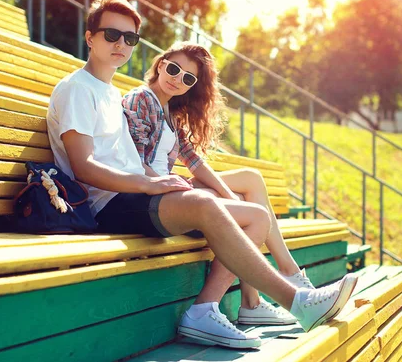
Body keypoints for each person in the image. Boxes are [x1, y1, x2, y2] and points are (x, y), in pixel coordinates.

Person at [46, 0, 357, 350]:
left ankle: (204, 310)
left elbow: (163, 157)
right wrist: (151, 184)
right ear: (90, 37)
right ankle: (297, 300)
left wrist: (155, 183)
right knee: (207, 204)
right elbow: (84, 168)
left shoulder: (111, 94)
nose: (121, 44)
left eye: (129, 38)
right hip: (109, 204)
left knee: (256, 217)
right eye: (110, 35)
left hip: (135, 194)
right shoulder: (77, 89)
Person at [122, 41, 329, 331]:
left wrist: (228, 194)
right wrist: (164, 183)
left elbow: (194, 161)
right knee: (257, 217)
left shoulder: (169, 112)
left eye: (187, 78)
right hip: (153, 192)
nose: (177, 78)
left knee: (251, 180)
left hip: (170, 188)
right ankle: (264, 294)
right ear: (160, 64)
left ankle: (271, 286)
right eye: (173, 68)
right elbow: (130, 159)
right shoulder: (142, 99)